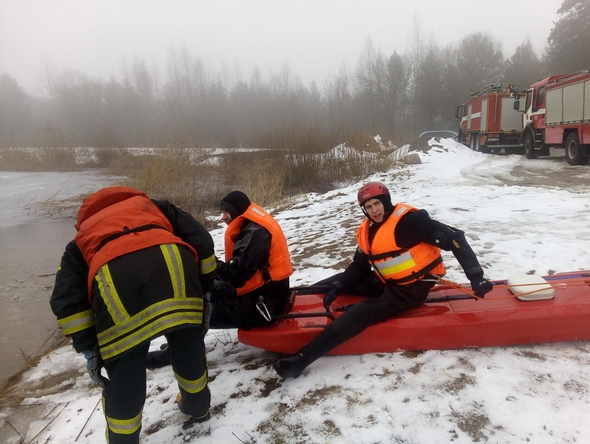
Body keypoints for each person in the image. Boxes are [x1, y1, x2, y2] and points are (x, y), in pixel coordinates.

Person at [272, 181, 493, 379]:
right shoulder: (367, 231)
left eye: (377, 204)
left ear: (386, 201)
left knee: (363, 310)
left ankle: (299, 361)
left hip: (411, 289)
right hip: (387, 281)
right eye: (368, 207)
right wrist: (337, 287)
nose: (374, 211)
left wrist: (476, 276)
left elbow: (456, 239)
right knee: (338, 279)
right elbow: (358, 267)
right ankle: (290, 305)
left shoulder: (410, 222)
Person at [49, 186, 217, 444]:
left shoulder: (82, 238)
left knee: (126, 374)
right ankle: (198, 408)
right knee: (187, 346)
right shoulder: (157, 207)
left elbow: (66, 301)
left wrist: (90, 349)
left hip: (117, 291)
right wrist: (204, 291)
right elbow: (203, 241)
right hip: (177, 272)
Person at [146, 190, 293, 367]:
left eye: (226, 212)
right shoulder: (252, 227)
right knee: (198, 289)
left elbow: (236, 276)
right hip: (264, 294)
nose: (223, 217)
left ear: (237, 211)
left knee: (195, 307)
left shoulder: (255, 232)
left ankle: (180, 352)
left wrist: (206, 258)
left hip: (264, 306)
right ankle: (180, 343)